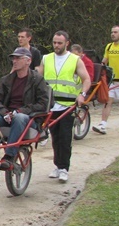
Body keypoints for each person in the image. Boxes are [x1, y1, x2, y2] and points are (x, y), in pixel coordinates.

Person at [0, 47, 50, 168]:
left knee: (19, 117)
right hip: (7, 116)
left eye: (18, 58)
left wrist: (19, 111)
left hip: (29, 119)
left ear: (28, 61)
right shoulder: (7, 79)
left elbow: (43, 104)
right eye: (13, 58)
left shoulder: (37, 80)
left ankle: (9, 156)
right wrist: (5, 113)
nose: (14, 61)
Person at [38, 31, 91, 183]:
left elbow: (86, 79)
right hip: (51, 106)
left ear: (67, 43)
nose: (56, 45)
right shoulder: (46, 58)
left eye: (59, 43)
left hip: (68, 106)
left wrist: (83, 94)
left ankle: (64, 168)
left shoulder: (75, 60)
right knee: (55, 137)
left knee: (65, 137)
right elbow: (38, 78)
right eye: (54, 42)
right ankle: (57, 165)